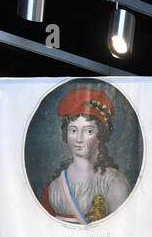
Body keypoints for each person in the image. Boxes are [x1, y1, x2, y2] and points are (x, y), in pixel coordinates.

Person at [40, 88, 130, 223]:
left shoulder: (114, 185)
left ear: (101, 135)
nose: (79, 139)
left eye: (88, 131)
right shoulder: (54, 188)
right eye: (73, 130)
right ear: (66, 134)